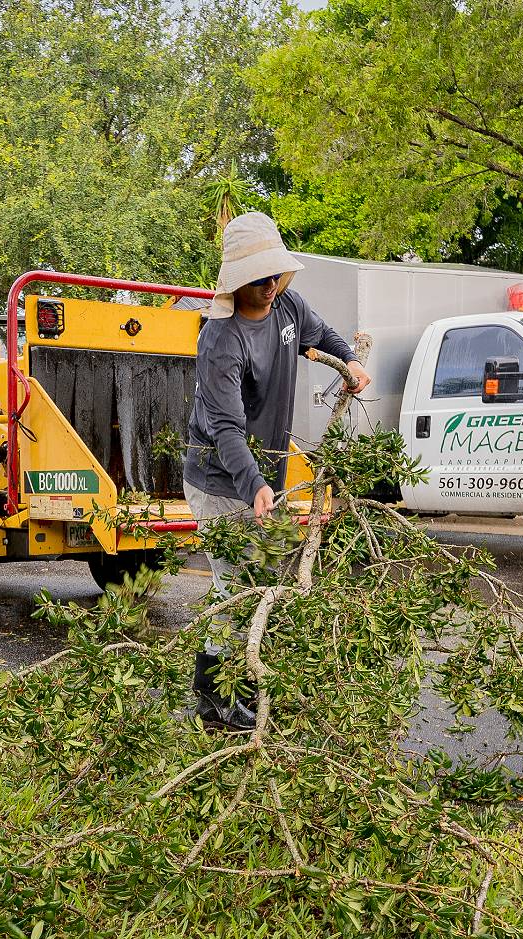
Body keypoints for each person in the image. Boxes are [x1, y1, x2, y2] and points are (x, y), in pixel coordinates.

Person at [182, 211, 370, 731]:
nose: (269, 286)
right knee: (235, 586)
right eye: (259, 278)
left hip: (264, 474)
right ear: (236, 280)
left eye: (274, 276)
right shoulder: (221, 341)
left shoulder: (287, 305)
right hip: (221, 480)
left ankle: (243, 688)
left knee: (259, 577)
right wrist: (255, 486)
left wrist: (348, 360)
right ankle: (213, 701)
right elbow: (224, 429)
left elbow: (321, 332)